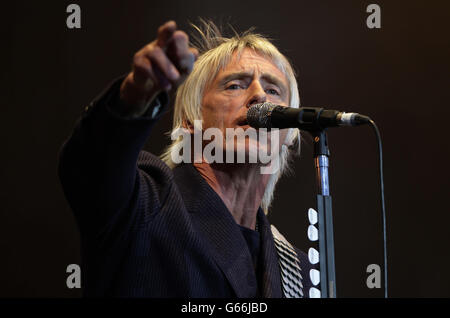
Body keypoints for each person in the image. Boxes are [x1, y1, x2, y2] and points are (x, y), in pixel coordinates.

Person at [58, 19, 316, 297]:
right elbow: (91, 165)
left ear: (289, 134)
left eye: (274, 90)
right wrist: (133, 99)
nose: (259, 95)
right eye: (234, 85)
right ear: (190, 121)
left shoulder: (299, 272)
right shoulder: (146, 204)